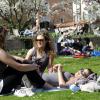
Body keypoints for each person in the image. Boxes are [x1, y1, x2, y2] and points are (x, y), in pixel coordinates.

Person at [0, 26, 53, 95]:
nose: (6, 38)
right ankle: (44, 85)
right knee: (22, 65)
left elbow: (12, 57)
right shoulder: (0, 52)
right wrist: (33, 66)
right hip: (1, 87)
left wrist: (25, 61)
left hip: (2, 84)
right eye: (5, 35)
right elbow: (19, 67)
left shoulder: (1, 52)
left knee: (23, 62)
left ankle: (41, 85)